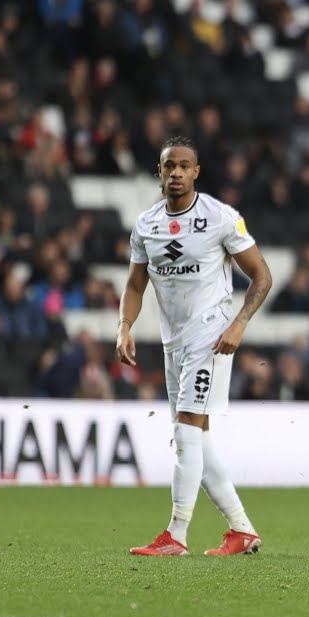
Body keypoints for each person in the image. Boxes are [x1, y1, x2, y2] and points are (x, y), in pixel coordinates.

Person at [117, 136, 273, 557]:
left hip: (211, 334)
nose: (177, 173)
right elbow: (135, 283)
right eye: (169, 166)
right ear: (159, 172)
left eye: (185, 166)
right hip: (174, 340)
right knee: (195, 436)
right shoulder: (146, 225)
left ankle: (176, 535)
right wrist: (124, 326)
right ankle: (241, 529)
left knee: (186, 428)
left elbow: (262, 276)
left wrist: (239, 324)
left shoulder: (220, 218)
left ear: (197, 172)